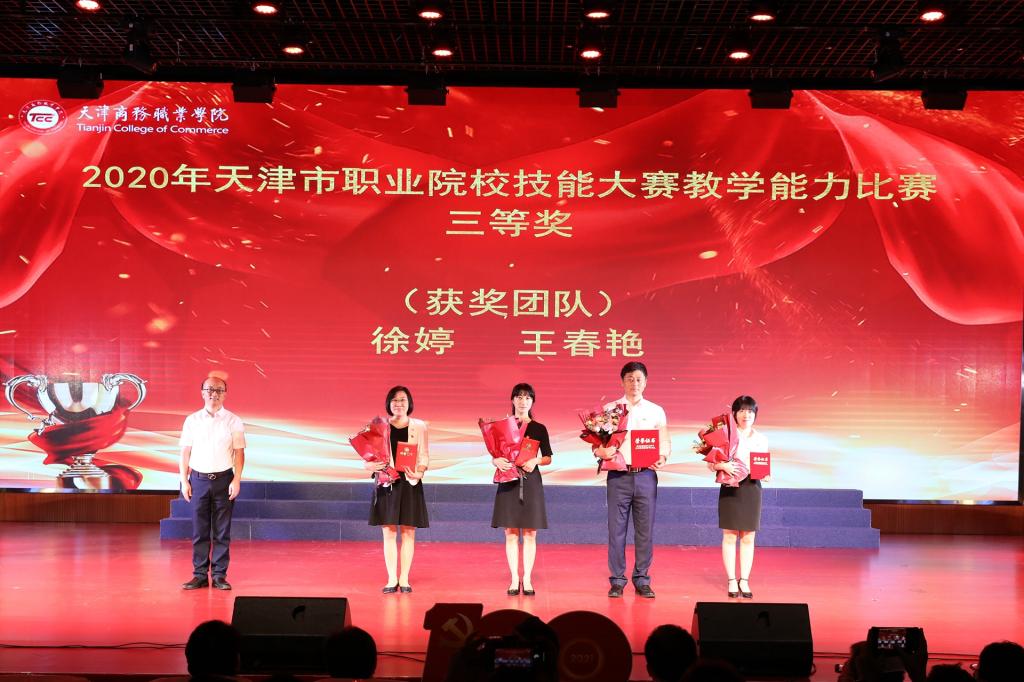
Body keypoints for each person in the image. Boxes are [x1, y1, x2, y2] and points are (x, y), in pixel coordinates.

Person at [594, 361, 669, 598]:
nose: (634, 383)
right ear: (622, 381)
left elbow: (664, 441)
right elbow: (597, 445)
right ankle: (617, 580)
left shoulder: (656, 411)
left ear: (645, 382)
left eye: (638, 379)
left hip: (646, 475)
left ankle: (642, 579)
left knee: (644, 531)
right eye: (629, 379)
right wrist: (600, 451)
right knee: (616, 530)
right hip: (619, 475)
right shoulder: (610, 409)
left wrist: (662, 456)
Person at [180, 375, 246, 591]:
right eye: (210, 389)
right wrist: (184, 481)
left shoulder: (234, 420)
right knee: (200, 531)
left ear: (225, 394)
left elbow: (239, 453)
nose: (214, 394)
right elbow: (185, 452)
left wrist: (237, 479)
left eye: (219, 390)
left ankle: (219, 575)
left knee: (222, 531)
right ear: (202, 392)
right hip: (198, 480)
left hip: (224, 480)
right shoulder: (192, 420)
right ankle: (199, 575)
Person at [366, 385, 429, 593]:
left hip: (410, 482)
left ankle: (404, 578)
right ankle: (392, 578)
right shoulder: (379, 426)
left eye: (402, 400)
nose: (398, 403)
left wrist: (419, 472)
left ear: (409, 403)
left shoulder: (419, 426)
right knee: (389, 532)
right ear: (388, 404)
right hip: (387, 482)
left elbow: (424, 455)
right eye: (394, 400)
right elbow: (368, 457)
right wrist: (370, 466)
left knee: (408, 532)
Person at [491, 383, 552, 596]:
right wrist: (495, 460)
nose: (523, 401)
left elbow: (548, 457)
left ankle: (527, 579)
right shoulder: (502, 427)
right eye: (519, 397)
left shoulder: (539, 428)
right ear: (513, 400)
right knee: (510, 533)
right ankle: (514, 578)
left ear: (532, 401)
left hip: (530, 481)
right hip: (508, 481)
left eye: (527, 398)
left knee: (530, 533)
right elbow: (495, 453)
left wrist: (535, 460)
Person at [709, 395, 768, 599]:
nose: (746, 415)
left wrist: (766, 474)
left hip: (752, 488)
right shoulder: (725, 435)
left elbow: (763, 464)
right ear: (734, 414)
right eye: (742, 411)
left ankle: (744, 580)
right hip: (731, 486)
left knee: (748, 536)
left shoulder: (761, 439)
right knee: (730, 535)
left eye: (750, 411)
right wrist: (721, 466)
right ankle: (732, 580)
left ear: (755, 415)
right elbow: (711, 464)